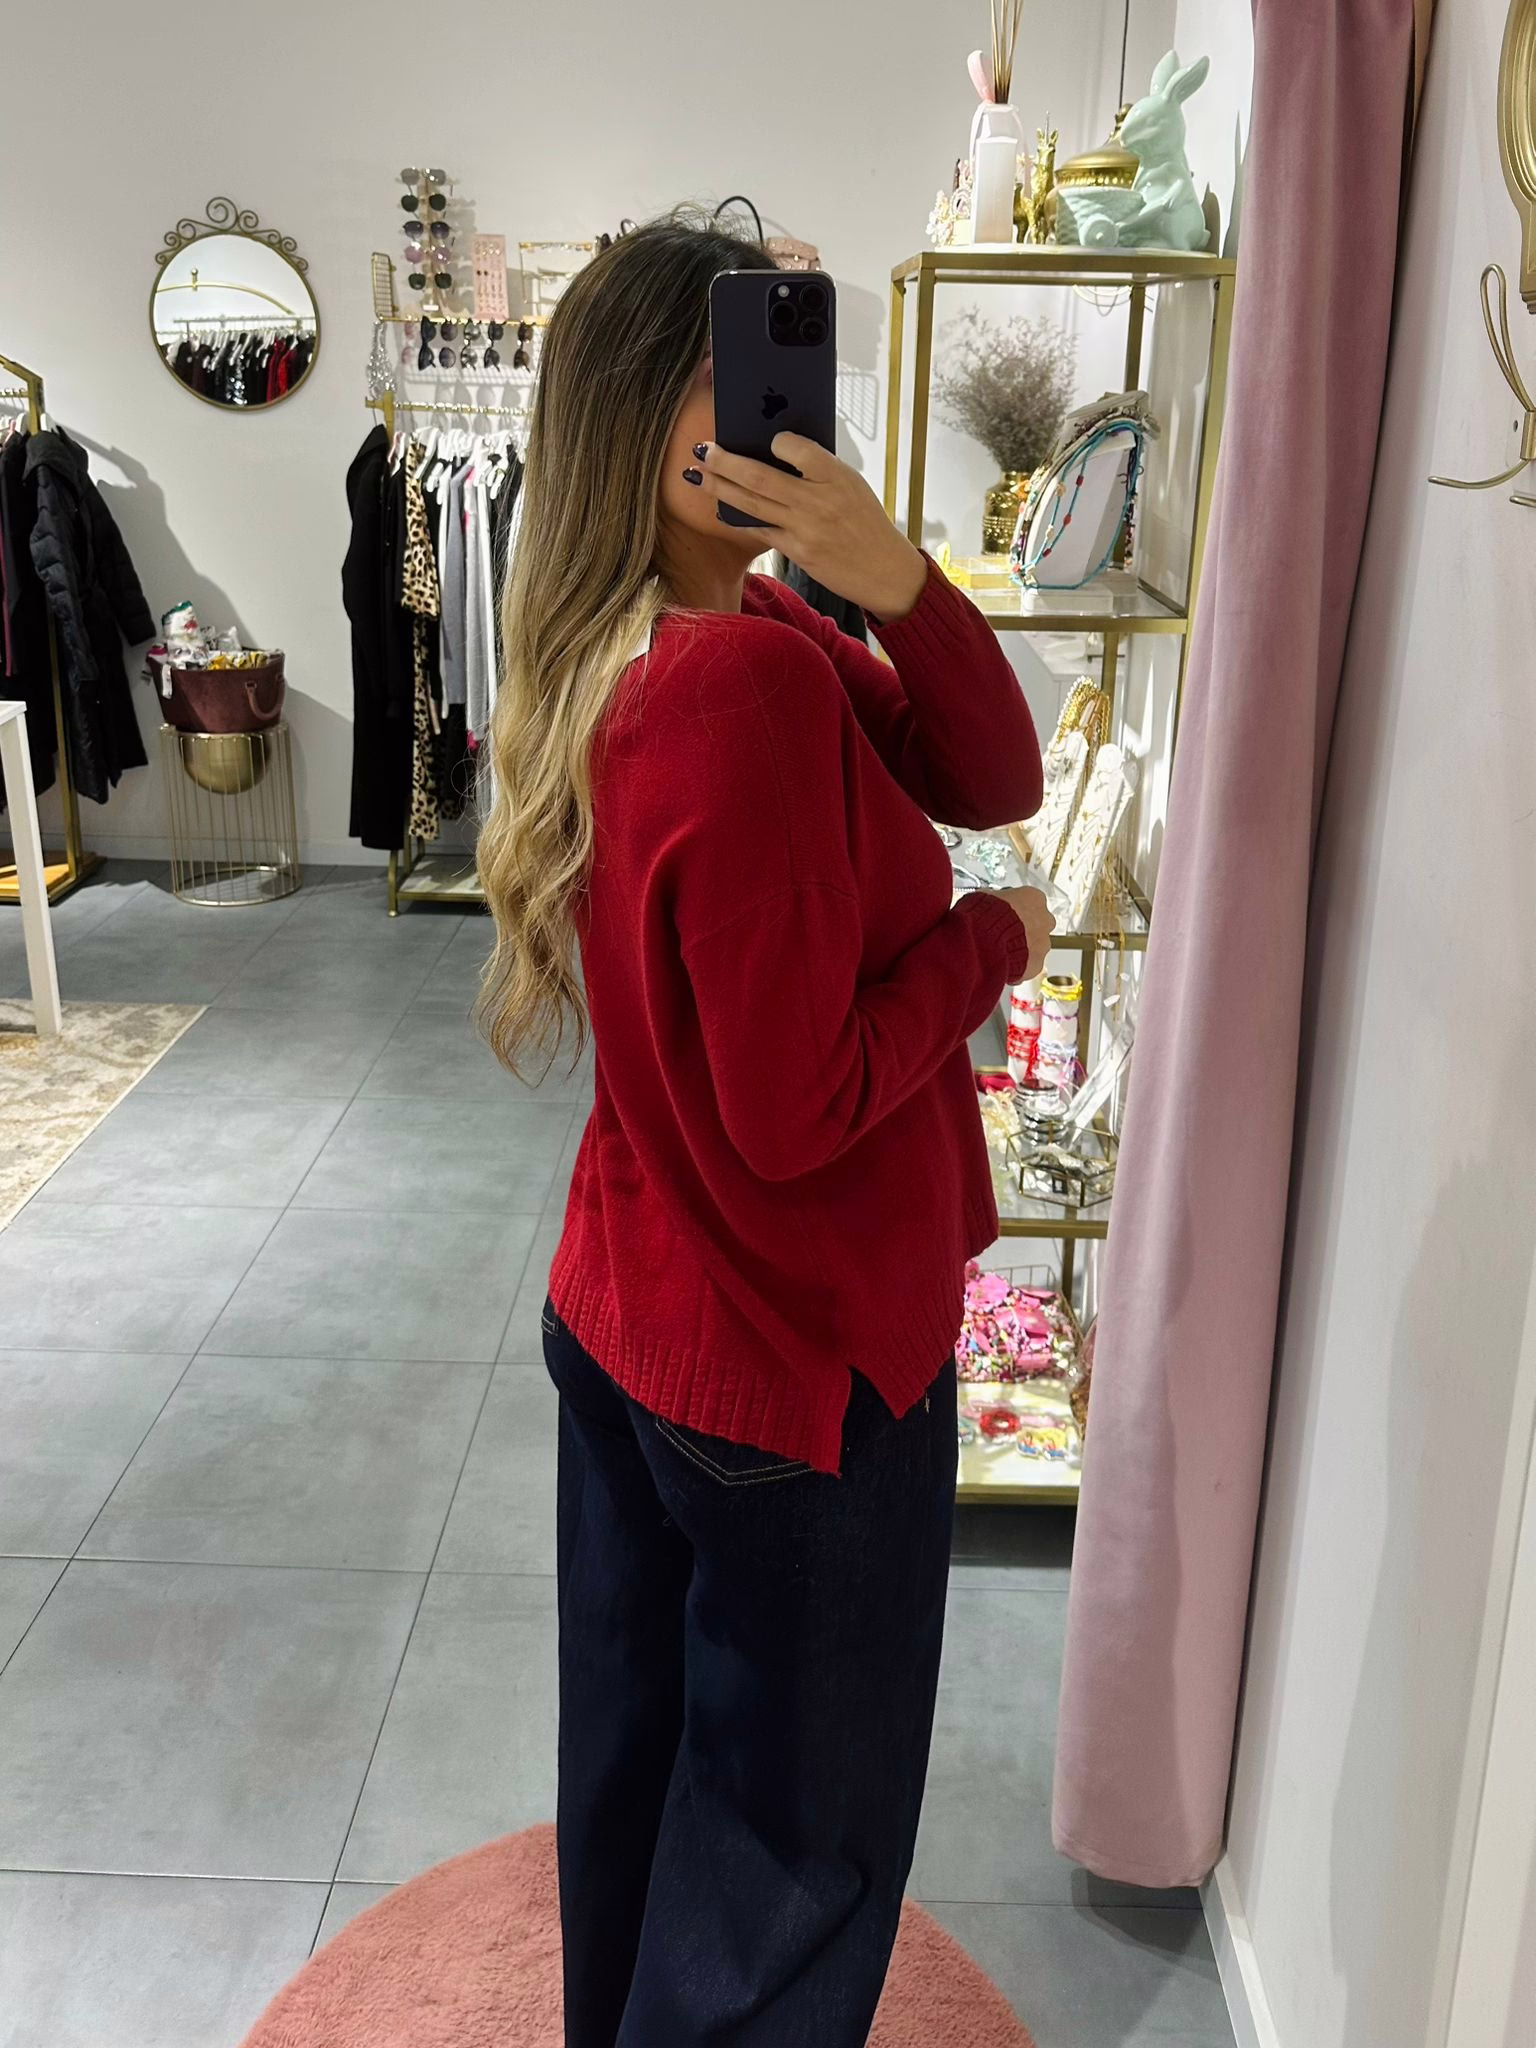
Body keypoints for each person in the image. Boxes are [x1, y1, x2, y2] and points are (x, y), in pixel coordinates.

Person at [477, 214, 1052, 2048]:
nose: (769, 416)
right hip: (796, 1358)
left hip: (635, 1306)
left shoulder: (687, 636)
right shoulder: (744, 680)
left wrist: (894, 581)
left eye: (776, 371)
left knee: (638, 1774)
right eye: (722, 378)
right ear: (634, 418)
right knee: (793, 1858)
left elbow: (989, 768)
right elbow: (801, 1108)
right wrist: (991, 946)